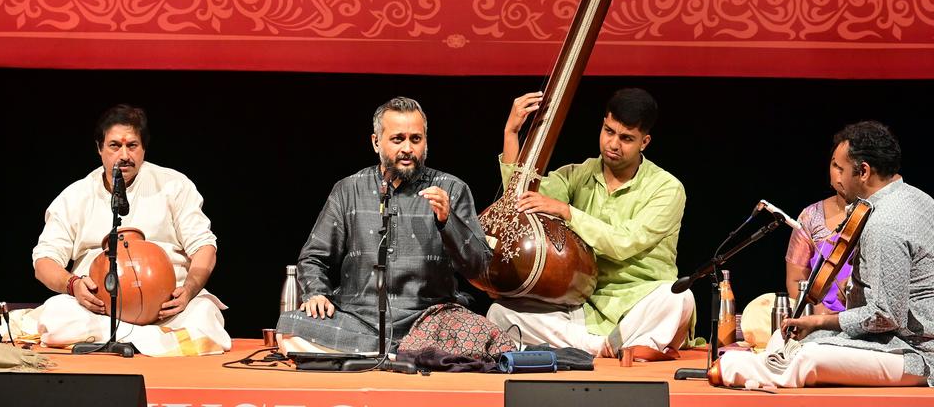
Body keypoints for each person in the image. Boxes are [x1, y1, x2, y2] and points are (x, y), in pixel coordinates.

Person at [718, 121, 933, 388]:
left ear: (863, 171)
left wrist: (821, 320)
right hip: (897, 342)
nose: (836, 178)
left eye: (840, 169)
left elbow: (885, 316)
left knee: (809, 355)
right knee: (790, 340)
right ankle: (764, 364)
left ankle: (736, 369)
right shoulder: (920, 199)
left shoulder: (883, 223)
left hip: (916, 354)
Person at [486, 88, 693, 359]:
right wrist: (511, 134)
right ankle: (608, 347)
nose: (613, 144)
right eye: (609, 131)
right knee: (499, 314)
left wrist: (568, 212)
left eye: (627, 138)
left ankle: (603, 344)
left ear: (645, 142)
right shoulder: (576, 175)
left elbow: (623, 243)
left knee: (678, 297)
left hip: (640, 303)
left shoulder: (666, 188)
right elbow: (521, 199)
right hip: (584, 307)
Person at [275, 96, 493, 354]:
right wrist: (317, 294)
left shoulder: (451, 189)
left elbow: (480, 266)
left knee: (484, 335)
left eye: (416, 139)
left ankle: (370, 355)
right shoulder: (348, 189)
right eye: (398, 139)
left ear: (425, 141)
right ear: (376, 141)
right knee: (291, 325)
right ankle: (406, 354)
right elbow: (313, 258)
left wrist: (448, 221)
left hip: (431, 320)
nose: (408, 149)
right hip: (357, 319)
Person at [31, 104, 230, 356]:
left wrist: (189, 290)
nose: (124, 155)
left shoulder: (174, 185)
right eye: (115, 145)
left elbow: (204, 246)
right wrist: (73, 285)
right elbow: (44, 261)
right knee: (56, 314)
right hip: (99, 313)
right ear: (99, 148)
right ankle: (151, 343)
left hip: (168, 313)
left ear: (143, 149)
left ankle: (123, 340)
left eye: (132, 145)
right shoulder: (75, 196)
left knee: (205, 317)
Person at [785, 151, 855, 312]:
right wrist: (818, 313)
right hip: (819, 316)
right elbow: (796, 281)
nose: (839, 174)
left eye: (847, 167)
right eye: (835, 165)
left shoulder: (879, 214)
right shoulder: (811, 216)